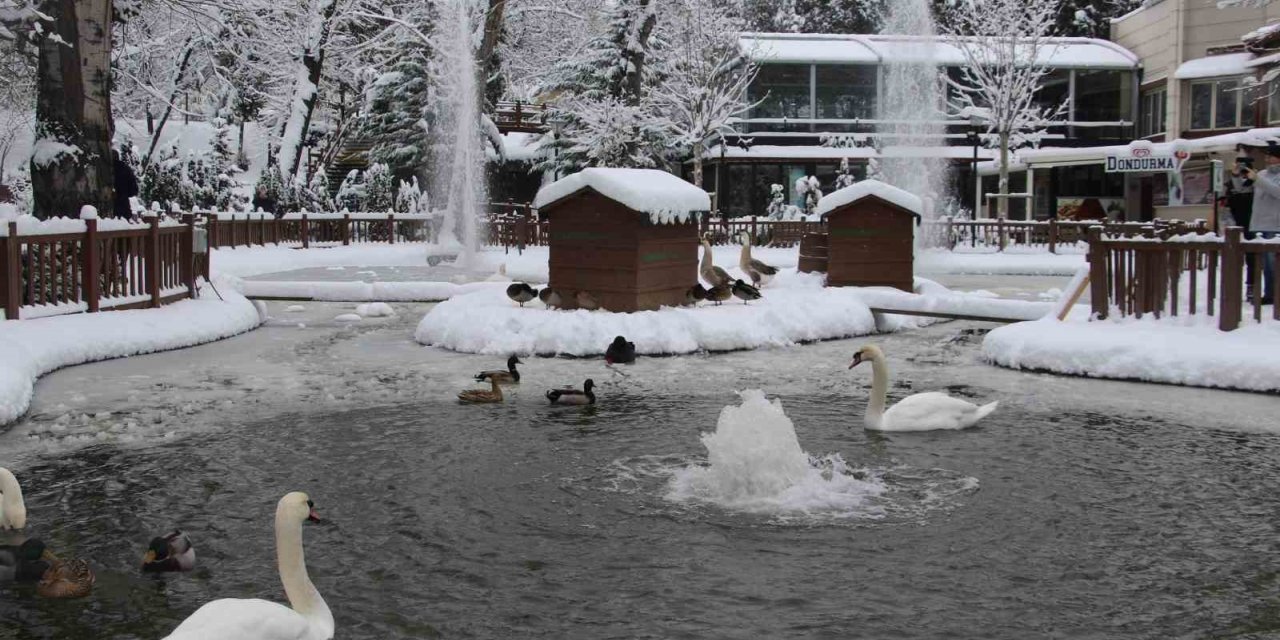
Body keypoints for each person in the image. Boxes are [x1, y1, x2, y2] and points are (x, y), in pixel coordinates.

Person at [1244, 143, 1280, 304]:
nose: (1267, 159)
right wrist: (1239, 175)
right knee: (1265, 264)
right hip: (1259, 223)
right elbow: (1243, 190)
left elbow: (1276, 191)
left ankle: (1274, 294)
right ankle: (1269, 293)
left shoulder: (1263, 176)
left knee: (1273, 263)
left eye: (1270, 156)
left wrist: (1257, 179)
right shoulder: (1263, 174)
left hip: (1275, 224)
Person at [1225, 151, 1256, 285]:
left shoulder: (1255, 182)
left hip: (1253, 224)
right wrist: (1235, 175)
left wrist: (1253, 177)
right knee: (1234, 258)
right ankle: (1233, 285)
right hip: (1235, 226)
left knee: (1252, 257)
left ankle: (1251, 284)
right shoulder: (1232, 183)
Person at [113, 149, 138, 219]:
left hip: (107, 206)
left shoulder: (104, 169)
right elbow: (134, 190)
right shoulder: (125, 169)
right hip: (123, 206)